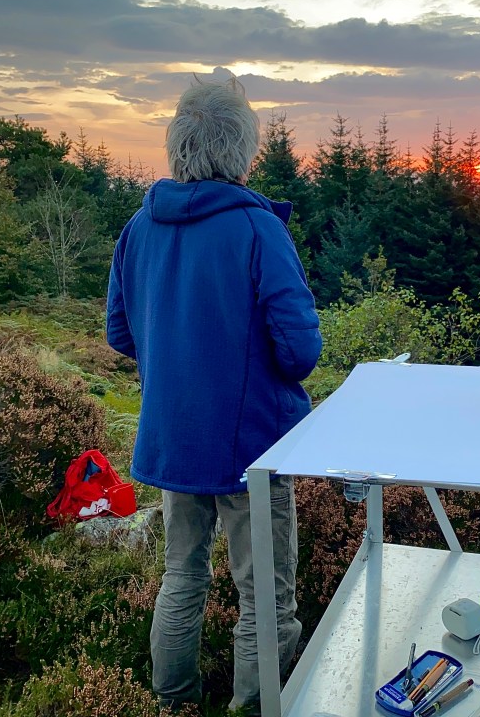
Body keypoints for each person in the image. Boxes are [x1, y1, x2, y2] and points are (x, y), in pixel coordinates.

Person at [106, 77, 321, 715]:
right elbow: (300, 349)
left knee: (181, 578)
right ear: (242, 148)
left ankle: (172, 705)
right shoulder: (257, 228)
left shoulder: (139, 227)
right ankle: (253, 708)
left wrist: (176, 360)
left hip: (175, 440)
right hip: (252, 443)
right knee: (265, 598)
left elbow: (120, 332)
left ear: (178, 144)